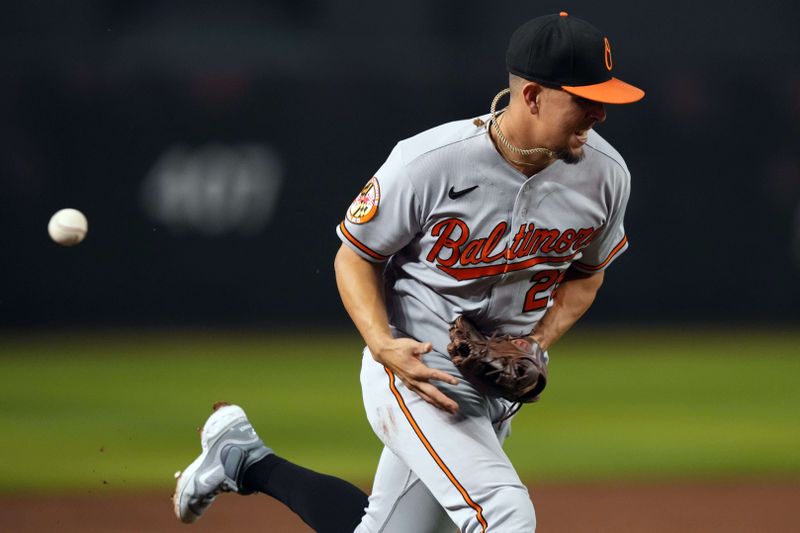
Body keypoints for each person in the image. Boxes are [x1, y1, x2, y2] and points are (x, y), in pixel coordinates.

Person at [173, 12, 644, 532]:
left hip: (496, 388)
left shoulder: (606, 175)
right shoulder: (430, 162)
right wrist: (381, 343)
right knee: (505, 513)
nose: (600, 113)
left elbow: (586, 275)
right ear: (532, 96)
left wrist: (536, 341)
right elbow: (355, 255)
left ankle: (243, 458)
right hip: (417, 370)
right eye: (585, 99)